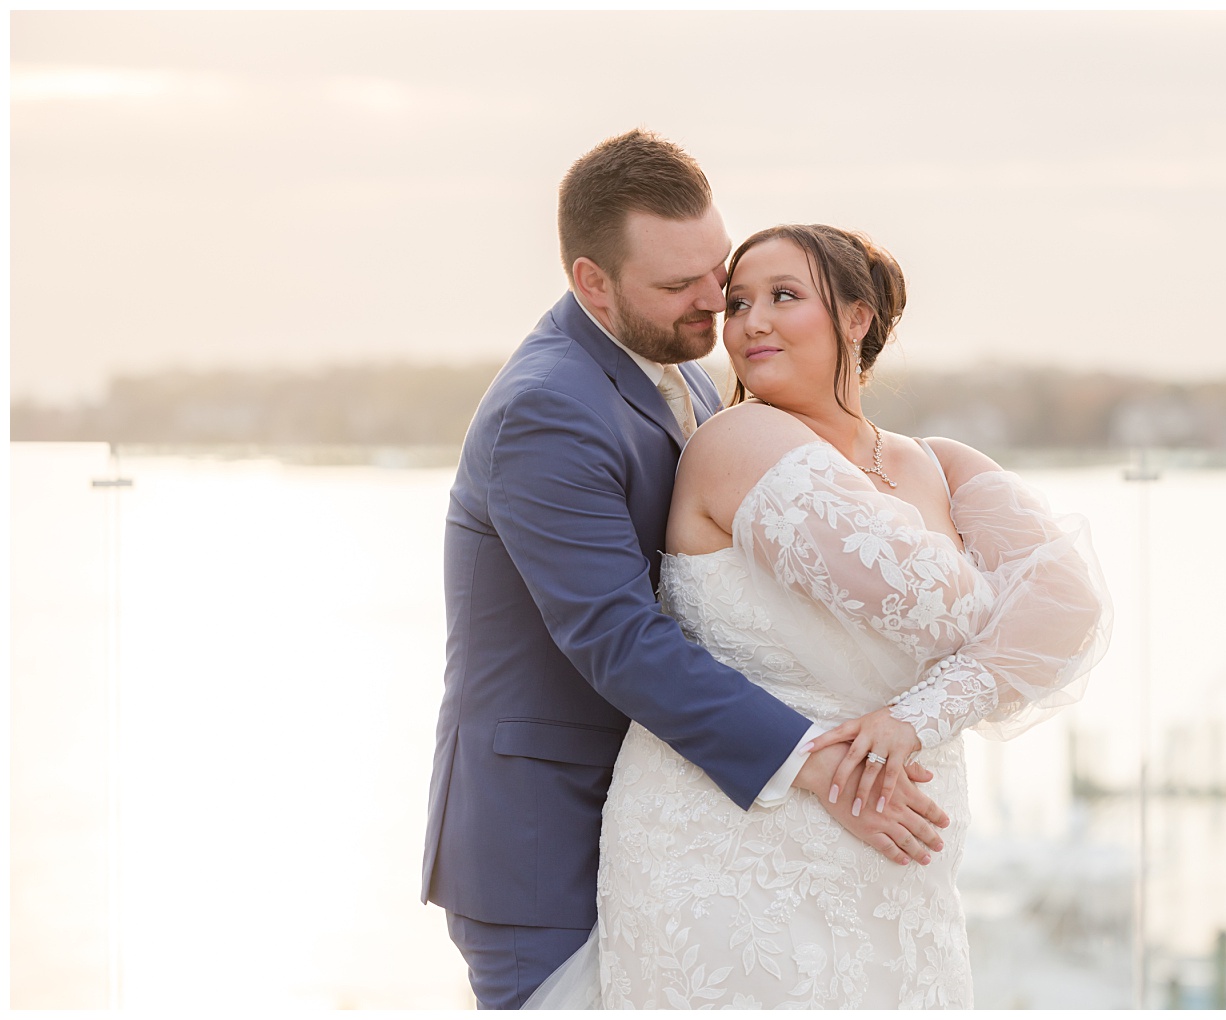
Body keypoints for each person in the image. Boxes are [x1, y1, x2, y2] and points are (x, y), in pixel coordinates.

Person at [421, 132, 952, 1010]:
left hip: (681, 830)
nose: (718, 306)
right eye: (678, 287)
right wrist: (815, 763)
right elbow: (615, 637)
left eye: (717, 270)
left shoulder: (693, 379)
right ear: (592, 282)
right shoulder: (547, 408)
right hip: (545, 836)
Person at [527, 224, 1112, 1008]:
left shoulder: (936, 460)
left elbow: (1073, 609)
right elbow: (933, 606)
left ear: (858, 318)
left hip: (901, 862)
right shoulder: (740, 439)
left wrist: (918, 718)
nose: (751, 321)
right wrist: (1005, 620)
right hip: (740, 855)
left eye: (784, 296)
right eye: (737, 303)